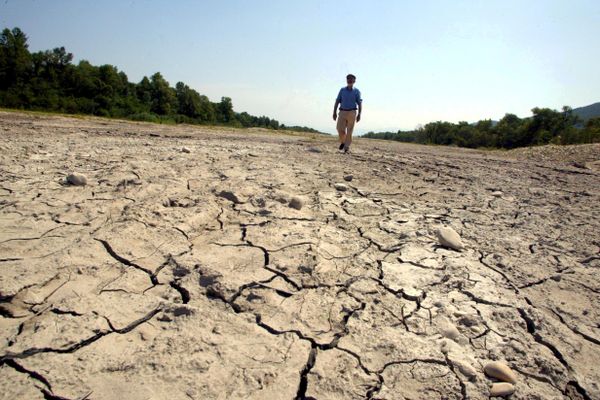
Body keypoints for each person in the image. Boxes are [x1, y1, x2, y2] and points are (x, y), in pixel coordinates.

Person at [333, 74, 362, 153]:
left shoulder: (357, 91)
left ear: (354, 81)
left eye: (351, 79)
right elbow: (337, 101)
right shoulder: (342, 90)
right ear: (346, 80)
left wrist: (359, 114)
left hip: (352, 112)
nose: (349, 80)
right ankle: (343, 141)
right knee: (339, 129)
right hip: (342, 111)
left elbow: (359, 103)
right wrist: (334, 112)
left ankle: (346, 147)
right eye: (348, 79)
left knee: (349, 131)